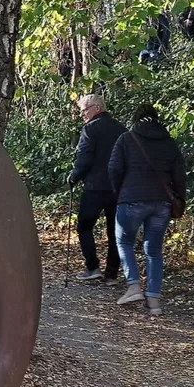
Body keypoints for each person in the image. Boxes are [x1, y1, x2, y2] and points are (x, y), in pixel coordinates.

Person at [107, 103, 187, 316]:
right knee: (154, 250)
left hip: (131, 200)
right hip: (162, 203)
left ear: (135, 119)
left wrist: (120, 193)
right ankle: (154, 303)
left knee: (124, 241)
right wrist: (181, 201)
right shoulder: (169, 143)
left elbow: (114, 168)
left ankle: (133, 286)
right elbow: (180, 175)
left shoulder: (126, 139)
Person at [67, 94, 123, 284]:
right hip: (117, 188)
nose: (82, 114)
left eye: (84, 110)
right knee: (114, 231)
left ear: (97, 108)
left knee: (84, 226)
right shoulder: (121, 129)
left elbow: (85, 157)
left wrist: (74, 176)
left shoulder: (91, 129)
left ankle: (93, 267)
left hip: (95, 187)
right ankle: (111, 274)